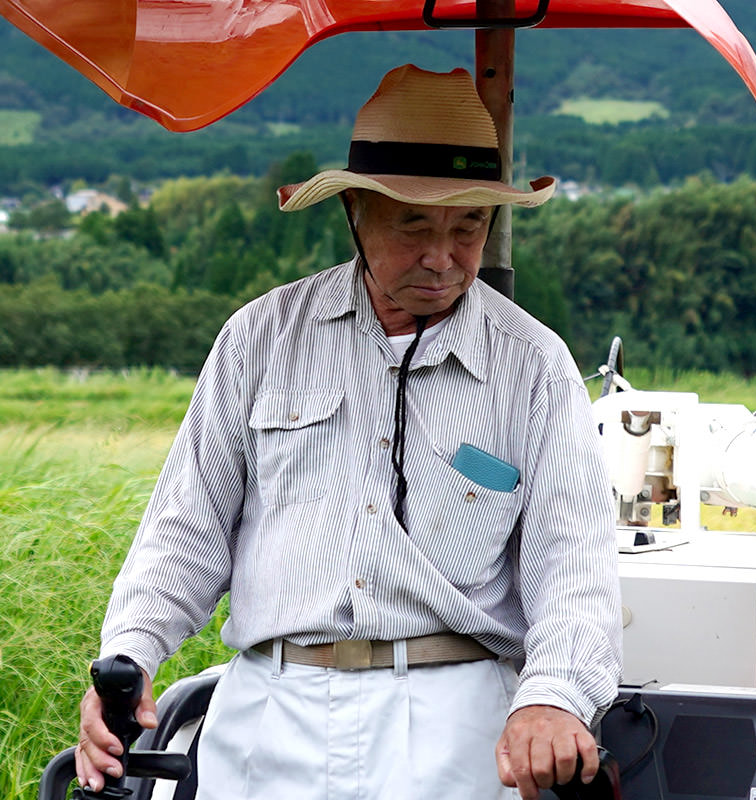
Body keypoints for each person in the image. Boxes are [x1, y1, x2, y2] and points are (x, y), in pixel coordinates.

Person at [75, 64, 622, 800]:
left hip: (453, 726)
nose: (443, 257)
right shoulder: (261, 339)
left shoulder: (532, 365)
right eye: (415, 225)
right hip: (269, 716)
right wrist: (131, 655)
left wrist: (553, 696)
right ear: (355, 211)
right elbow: (184, 532)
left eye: (468, 226)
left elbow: (573, 565)